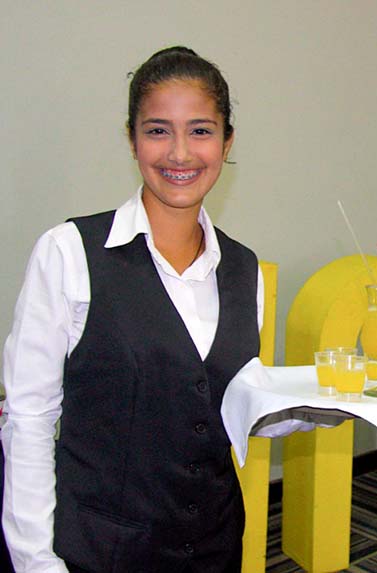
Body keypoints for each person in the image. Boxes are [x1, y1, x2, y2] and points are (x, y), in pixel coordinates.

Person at [2, 46, 264, 572]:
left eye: (200, 131)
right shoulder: (69, 252)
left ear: (227, 141)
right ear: (132, 139)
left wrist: (312, 406)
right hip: (100, 552)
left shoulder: (243, 267)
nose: (180, 154)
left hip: (214, 546)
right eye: (158, 130)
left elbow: (216, 406)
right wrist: (35, 561)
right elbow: (29, 419)